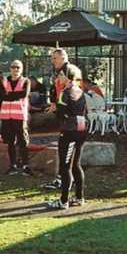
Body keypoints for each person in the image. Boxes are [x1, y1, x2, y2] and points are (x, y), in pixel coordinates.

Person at [47, 66, 88, 210]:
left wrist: (55, 109)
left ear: (66, 77)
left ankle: (63, 201)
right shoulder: (81, 91)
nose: (58, 78)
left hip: (69, 131)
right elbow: (84, 111)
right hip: (81, 130)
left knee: (65, 167)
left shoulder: (65, 93)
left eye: (60, 76)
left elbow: (61, 113)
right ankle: (79, 197)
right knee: (76, 164)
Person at [41, 49, 74, 191]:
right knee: (64, 148)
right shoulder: (61, 71)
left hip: (69, 117)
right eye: (52, 58)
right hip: (64, 116)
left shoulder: (67, 71)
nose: (52, 60)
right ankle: (63, 178)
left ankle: (63, 180)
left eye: (55, 58)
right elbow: (58, 92)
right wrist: (54, 104)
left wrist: (59, 106)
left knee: (65, 149)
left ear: (62, 58)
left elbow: (69, 93)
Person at [0, 60, 32, 175]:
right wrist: (14, 96)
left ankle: (25, 166)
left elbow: (24, 94)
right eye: (13, 67)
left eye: (18, 67)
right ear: (10, 69)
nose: (15, 69)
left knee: (23, 141)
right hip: (6, 117)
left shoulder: (25, 81)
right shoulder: (4, 81)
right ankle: (12, 165)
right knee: (10, 142)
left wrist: (9, 95)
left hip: (19, 116)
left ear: (21, 69)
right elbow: (1, 96)